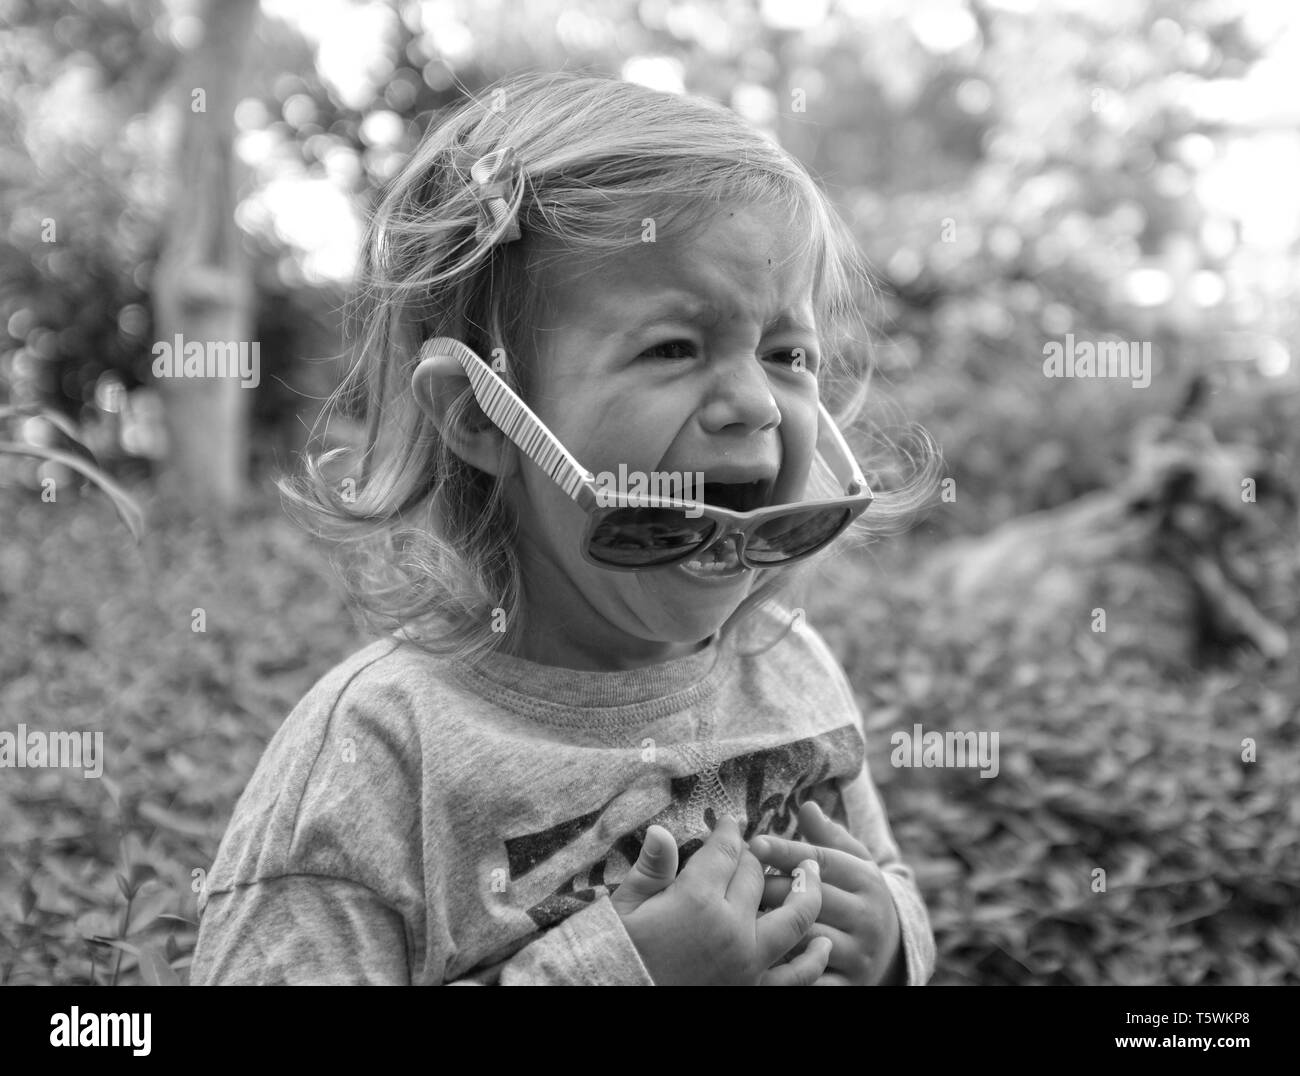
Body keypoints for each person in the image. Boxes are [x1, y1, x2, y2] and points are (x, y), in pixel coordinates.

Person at [191, 71, 937, 986]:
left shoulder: (788, 666)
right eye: (673, 347)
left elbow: (886, 876)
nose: (755, 403)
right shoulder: (384, 753)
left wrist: (890, 935)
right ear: (478, 416)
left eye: (787, 354)